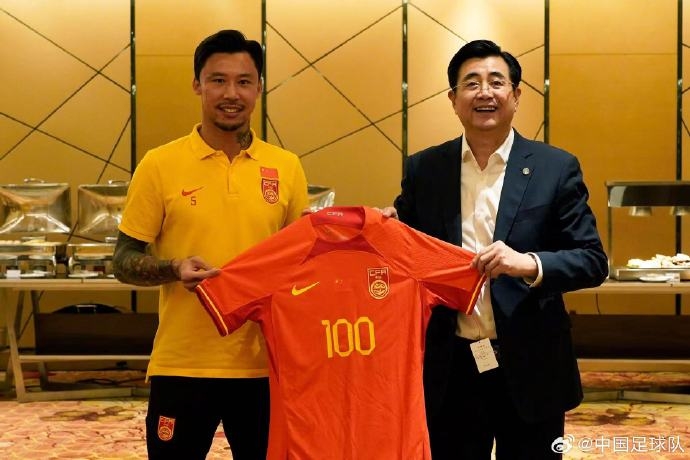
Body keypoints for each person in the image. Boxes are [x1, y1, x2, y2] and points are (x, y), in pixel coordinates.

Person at [381, 39, 608, 459]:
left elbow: (592, 260)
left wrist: (528, 263)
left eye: (496, 82)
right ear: (453, 100)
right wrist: (377, 228)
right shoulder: (425, 169)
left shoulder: (555, 168)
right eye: (471, 83)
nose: (484, 92)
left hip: (532, 363)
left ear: (516, 96)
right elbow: (403, 246)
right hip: (451, 367)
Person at [113, 30, 308, 460]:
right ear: (197, 85)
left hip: (265, 365)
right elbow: (123, 260)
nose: (231, 93)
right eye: (218, 80)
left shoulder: (287, 167)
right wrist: (173, 268)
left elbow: (302, 263)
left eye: (243, 81)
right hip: (182, 364)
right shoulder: (159, 164)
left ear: (259, 88)